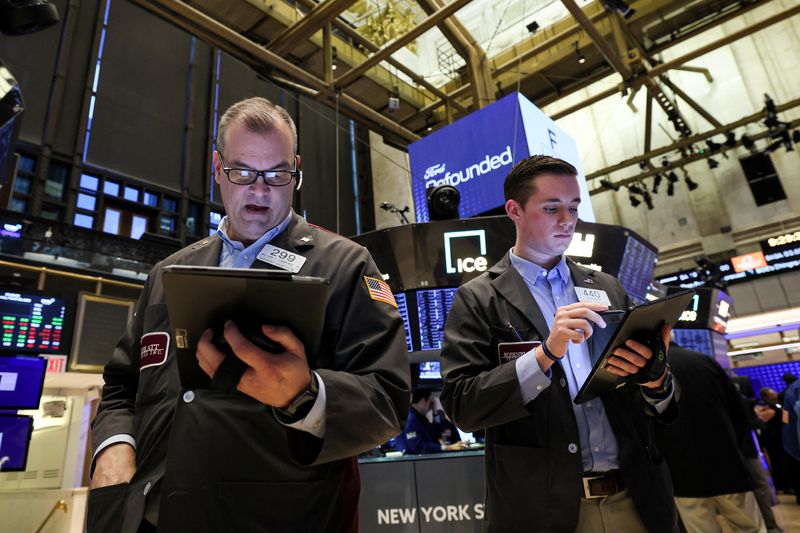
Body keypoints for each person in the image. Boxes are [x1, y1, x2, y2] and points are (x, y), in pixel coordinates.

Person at [88, 97, 411, 533]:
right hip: (148, 515)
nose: (260, 191)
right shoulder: (168, 272)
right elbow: (122, 385)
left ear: (296, 169)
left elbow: (387, 399)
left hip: (276, 517)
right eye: (243, 172)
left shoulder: (346, 265)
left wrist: (305, 396)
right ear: (217, 167)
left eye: (277, 175)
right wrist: (113, 445)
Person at [440, 155, 680, 533]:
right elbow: (462, 405)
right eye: (552, 208)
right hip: (544, 510)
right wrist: (544, 355)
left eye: (573, 207)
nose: (567, 220)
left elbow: (664, 405)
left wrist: (657, 378)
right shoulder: (478, 298)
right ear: (514, 210)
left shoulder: (607, 287)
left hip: (636, 500)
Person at [652, 346, 767, 533]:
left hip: (682, 472)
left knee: (700, 529)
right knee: (750, 528)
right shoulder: (704, 361)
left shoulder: (643, 373)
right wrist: (734, 447)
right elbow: (740, 412)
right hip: (727, 463)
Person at [401, 387, 468, 454]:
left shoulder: (421, 418)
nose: (431, 407)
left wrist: (435, 413)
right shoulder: (410, 419)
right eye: (431, 403)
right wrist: (446, 447)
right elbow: (417, 446)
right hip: (415, 461)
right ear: (423, 402)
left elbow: (437, 434)